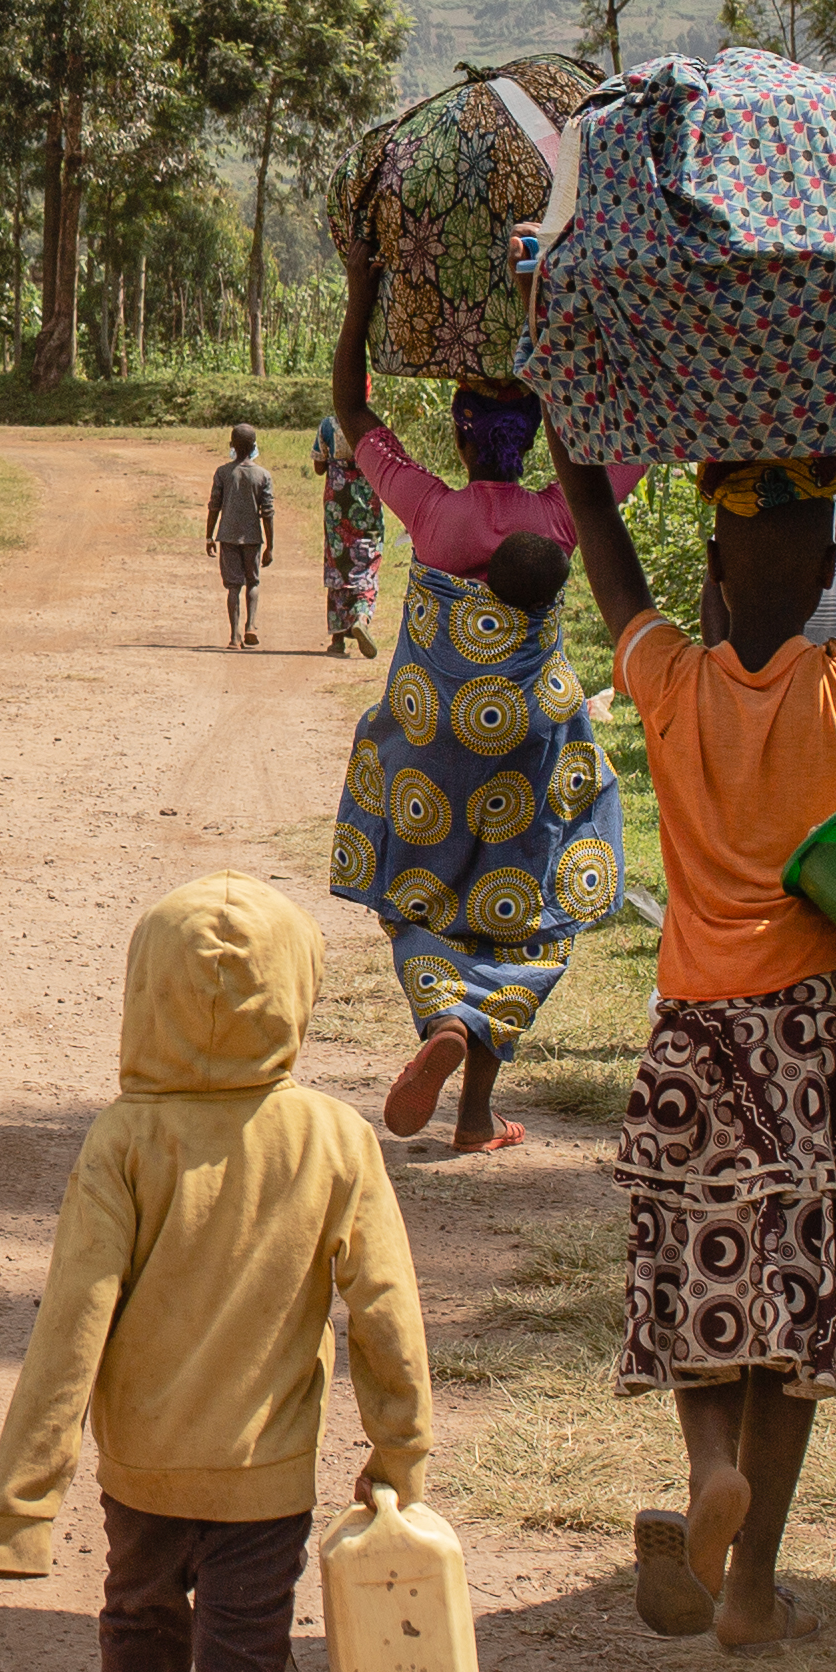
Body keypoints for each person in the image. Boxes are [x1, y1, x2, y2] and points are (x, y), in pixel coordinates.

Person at [556, 337, 836, 1653]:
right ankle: (751, 1590)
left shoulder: (670, 680)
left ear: (717, 574)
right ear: (813, 589)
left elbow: (597, 531)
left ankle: (702, 1476)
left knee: (700, 1273)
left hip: (698, 1025)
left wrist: (573, 391)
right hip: (821, 1037)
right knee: (802, 1313)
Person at [0, 875, 431, 1672]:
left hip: (143, 1471)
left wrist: (24, 1502)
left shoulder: (125, 1141)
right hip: (265, 1483)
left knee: (138, 1622)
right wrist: (400, 1451)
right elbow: (384, 1311)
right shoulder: (332, 1139)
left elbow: (72, 1323)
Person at [328, 266, 627, 1159]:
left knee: (419, 882)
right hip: (528, 749)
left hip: (432, 743)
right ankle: (474, 1103)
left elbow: (354, 412)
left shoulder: (429, 510)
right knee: (535, 896)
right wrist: (574, 313)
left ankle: (442, 1026)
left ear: (460, 439)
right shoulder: (565, 512)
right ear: (540, 435)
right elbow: (632, 437)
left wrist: (361, 294)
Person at [313, 417, 389, 661]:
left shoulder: (328, 425)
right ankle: (360, 618)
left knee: (338, 563)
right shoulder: (375, 424)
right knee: (367, 561)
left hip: (337, 502)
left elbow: (318, 467)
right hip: (367, 502)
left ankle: (337, 640)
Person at [205, 427, 278, 649]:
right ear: (254, 446)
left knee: (233, 587)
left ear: (232, 446)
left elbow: (214, 506)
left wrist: (209, 536)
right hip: (253, 538)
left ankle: (234, 637)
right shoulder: (263, 475)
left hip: (227, 536)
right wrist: (270, 546)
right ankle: (251, 626)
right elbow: (268, 513)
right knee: (253, 582)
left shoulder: (223, 472)